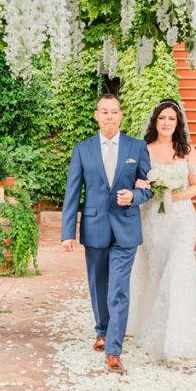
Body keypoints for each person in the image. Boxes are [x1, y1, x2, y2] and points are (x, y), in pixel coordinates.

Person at [128, 99, 196, 359]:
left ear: (178, 123)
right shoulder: (144, 149)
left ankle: (178, 333)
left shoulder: (187, 150)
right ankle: (152, 323)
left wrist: (172, 196)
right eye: (162, 118)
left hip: (181, 219)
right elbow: (137, 181)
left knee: (178, 267)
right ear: (155, 121)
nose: (166, 123)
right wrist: (152, 190)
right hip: (153, 219)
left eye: (171, 119)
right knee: (155, 268)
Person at [60, 94, 152, 374]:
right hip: (95, 227)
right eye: (105, 112)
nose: (110, 117)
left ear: (121, 115)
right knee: (98, 286)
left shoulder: (137, 147)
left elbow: (148, 187)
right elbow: (72, 192)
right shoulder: (83, 149)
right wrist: (68, 232)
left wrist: (134, 196)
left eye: (114, 112)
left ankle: (114, 351)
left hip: (126, 229)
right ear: (96, 115)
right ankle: (102, 330)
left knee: (118, 289)